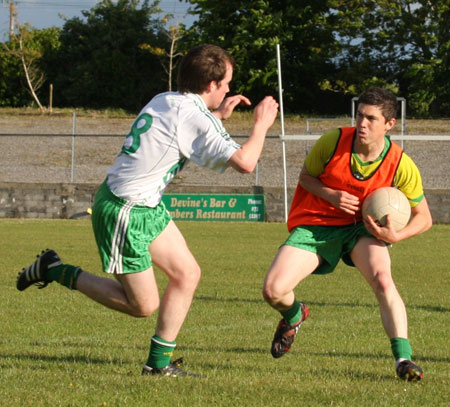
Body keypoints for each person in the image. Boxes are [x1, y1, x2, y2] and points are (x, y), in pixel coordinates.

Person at [17, 44, 279, 377]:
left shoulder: (166, 98)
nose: (229, 89)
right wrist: (261, 124)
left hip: (145, 206)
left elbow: (190, 126)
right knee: (143, 306)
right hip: (124, 211)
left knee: (187, 274)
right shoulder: (195, 116)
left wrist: (217, 116)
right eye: (226, 83)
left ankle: (157, 366)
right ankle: (55, 269)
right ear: (211, 86)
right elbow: (245, 162)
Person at [262, 87, 432, 382]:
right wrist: (331, 195)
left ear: (389, 125)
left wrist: (396, 235)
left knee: (382, 279)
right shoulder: (333, 141)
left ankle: (403, 359)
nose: (361, 124)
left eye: (370, 118)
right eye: (359, 116)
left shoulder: (400, 163)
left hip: (361, 230)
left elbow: (425, 218)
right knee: (273, 290)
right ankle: (294, 315)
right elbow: (305, 177)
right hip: (318, 224)